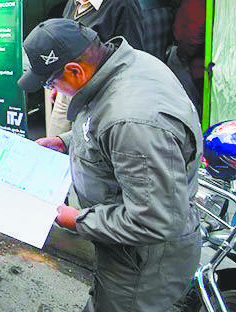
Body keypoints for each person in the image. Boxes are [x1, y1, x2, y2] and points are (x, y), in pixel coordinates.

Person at [19, 18, 202, 312]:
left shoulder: (132, 121)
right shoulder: (123, 66)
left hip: (143, 264)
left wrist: (76, 220)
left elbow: (155, 219)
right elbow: (99, 122)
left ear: (76, 70)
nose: (53, 91)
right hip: (125, 249)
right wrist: (67, 142)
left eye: (52, 82)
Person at [48, 0, 145, 136]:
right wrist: (58, 82)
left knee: (87, 151)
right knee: (54, 144)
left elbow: (131, 58)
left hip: (100, 96)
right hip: (67, 89)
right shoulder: (74, 1)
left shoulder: (123, 3)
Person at [168, 0, 206, 114]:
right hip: (190, 59)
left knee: (191, 107)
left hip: (192, 63)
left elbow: (197, 26)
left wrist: (184, 54)